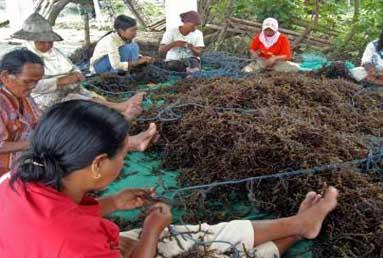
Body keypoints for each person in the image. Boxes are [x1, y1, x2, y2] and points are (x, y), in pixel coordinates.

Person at [0, 99, 339, 258]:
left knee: (198, 234)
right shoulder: (72, 243)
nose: (128, 156)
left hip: (75, 245)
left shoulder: (14, 179)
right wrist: (150, 231)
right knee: (218, 255)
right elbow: (66, 237)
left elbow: (55, 217)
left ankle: (300, 223)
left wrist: (113, 203)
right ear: (98, 164)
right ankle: (299, 231)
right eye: (125, 152)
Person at [0, 49, 157, 176]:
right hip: (12, 164)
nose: (33, 87)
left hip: (33, 146)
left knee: (76, 130)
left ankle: (128, 140)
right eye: (28, 81)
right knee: (73, 145)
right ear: (6, 76)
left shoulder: (24, 97)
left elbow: (38, 122)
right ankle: (130, 143)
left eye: (37, 81)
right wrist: (40, 143)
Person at [12, 13, 145, 117]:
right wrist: (60, 81)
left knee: (89, 96)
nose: (47, 45)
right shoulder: (24, 58)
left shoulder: (55, 52)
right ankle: (119, 109)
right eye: (42, 42)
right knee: (77, 99)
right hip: (43, 98)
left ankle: (117, 108)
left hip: (68, 89)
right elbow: (30, 86)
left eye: (50, 42)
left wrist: (76, 74)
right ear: (30, 41)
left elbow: (71, 67)